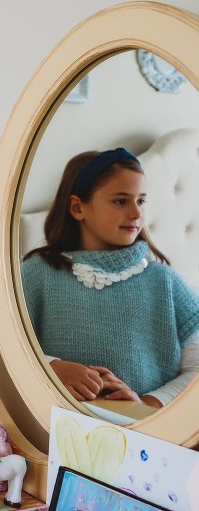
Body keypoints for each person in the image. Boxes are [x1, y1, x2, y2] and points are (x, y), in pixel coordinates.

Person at [22, 148, 199, 409]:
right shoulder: (39, 273)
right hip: (57, 430)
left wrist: (147, 405)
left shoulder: (165, 282)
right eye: (120, 201)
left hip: (146, 437)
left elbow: (196, 371)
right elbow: (8, 349)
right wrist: (53, 368)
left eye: (141, 201)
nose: (136, 214)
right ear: (77, 207)